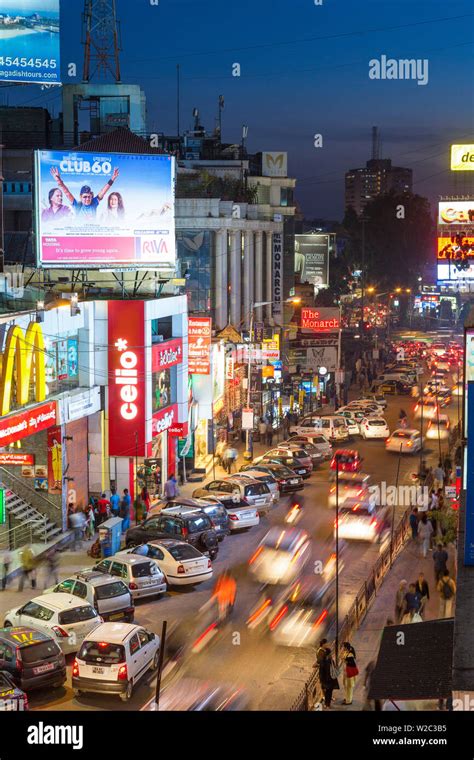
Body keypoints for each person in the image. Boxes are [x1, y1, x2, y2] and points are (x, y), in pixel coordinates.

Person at [50, 165, 120, 219]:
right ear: (80, 196)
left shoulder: (94, 203)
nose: (87, 199)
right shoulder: (77, 205)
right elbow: (67, 193)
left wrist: (112, 178)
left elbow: (103, 191)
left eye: (89, 197)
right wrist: (58, 180)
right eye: (85, 197)